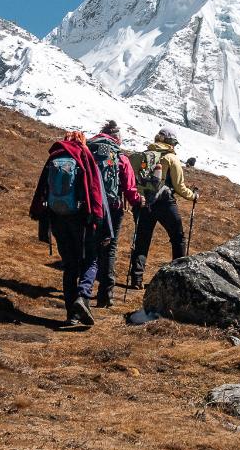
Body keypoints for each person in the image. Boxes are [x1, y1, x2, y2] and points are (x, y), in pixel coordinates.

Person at [30, 130, 109, 327]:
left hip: (57, 218)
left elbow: (42, 189)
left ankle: (71, 316)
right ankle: (82, 297)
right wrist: (99, 220)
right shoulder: (84, 155)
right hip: (81, 218)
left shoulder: (54, 156)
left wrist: (39, 214)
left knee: (69, 265)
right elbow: (95, 189)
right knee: (91, 260)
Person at [127, 127, 197, 290]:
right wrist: (193, 196)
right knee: (177, 237)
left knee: (142, 240)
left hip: (144, 203)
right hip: (165, 202)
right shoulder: (171, 158)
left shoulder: (143, 155)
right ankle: (178, 277)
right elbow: (179, 187)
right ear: (171, 143)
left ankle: (136, 279)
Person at [87, 120, 142, 307]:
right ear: (117, 138)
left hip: (87, 206)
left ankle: (83, 291)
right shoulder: (119, 156)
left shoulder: (88, 150)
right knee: (109, 248)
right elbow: (129, 186)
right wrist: (137, 202)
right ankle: (105, 296)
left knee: (88, 246)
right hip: (112, 208)